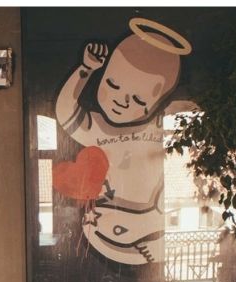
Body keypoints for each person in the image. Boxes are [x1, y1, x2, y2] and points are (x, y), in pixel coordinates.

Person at [54, 18, 192, 266]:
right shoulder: (97, 129)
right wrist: (85, 70)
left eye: (138, 99)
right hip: (104, 222)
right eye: (112, 84)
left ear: (158, 101)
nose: (121, 100)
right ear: (103, 75)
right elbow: (65, 112)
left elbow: (193, 114)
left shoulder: (159, 126)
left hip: (151, 222)